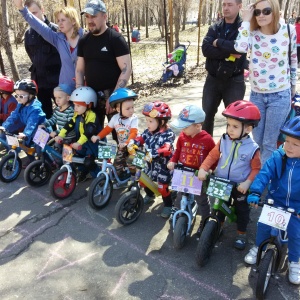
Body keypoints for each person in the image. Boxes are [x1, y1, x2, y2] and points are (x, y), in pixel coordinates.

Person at [234, 0, 297, 166]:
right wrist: (246, 21)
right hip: (257, 95)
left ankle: (263, 187)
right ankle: (268, 176)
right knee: (258, 140)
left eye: (266, 11)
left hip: (280, 95)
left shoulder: (288, 31)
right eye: (257, 12)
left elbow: (293, 60)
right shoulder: (252, 33)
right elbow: (239, 48)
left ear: (274, 11)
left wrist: (293, 88)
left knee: (269, 143)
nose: (261, 15)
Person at [197, 100, 261, 250]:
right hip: (222, 181)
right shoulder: (224, 140)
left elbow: (256, 168)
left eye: (235, 126)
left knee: (242, 210)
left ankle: (241, 233)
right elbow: (213, 155)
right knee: (219, 206)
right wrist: (204, 168)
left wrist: (247, 183)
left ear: (248, 128)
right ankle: (217, 226)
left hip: (239, 186)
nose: (230, 129)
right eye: (228, 125)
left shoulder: (253, 148)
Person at [245, 116, 300, 285]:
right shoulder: (279, 156)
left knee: (295, 234)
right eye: (286, 141)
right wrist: (255, 192)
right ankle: (258, 246)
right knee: (263, 225)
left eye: (295, 144)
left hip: (296, 207)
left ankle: (294, 262)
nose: (288, 146)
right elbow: (264, 174)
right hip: (275, 201)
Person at [76, 0, 132, 138]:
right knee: (92, 136)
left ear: (104, 16)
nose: (90, 20)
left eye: (94, 16)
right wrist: (79, 94)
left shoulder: (115, 39)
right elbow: (79, 70)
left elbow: (126, 69)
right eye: (87, 17)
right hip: (91, 96)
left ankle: (121, 160)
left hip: (115, 97)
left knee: (121, 138)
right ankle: (98, 160)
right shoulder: (83, 40)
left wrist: (114, 97)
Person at [13, 0, 84, 89]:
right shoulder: (57, 39)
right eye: (58, 20)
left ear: (73, 21)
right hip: (65, 88)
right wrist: (22, 8)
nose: (60, 23)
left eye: (63, 20)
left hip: (84, 88)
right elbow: (39, 26)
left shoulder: (85, 38)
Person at [167, 105, 216, 234]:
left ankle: (205, 220)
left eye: (186, 126)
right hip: (183, 172)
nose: (183, 129)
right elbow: (178, 151)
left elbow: (213, 156)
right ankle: (177, 212)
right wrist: (173, 161)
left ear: (198, 126)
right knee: (179, 195)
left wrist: (210, 170)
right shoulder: (183, 136)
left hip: (198, 175)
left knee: (202, 200)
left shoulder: (207, 139)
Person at [201, 0, 247, 137]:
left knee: (235, 119)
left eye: (230, 5)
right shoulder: (215, 27)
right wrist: (229, 51)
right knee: (206, 115)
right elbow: (206, 49)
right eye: (224, 5)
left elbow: (241, 48)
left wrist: (218, 43)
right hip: (213, 79)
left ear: (239, 6)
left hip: (234, 81)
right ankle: (206, 149)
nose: (226, 8)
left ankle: (231, 152)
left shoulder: (243, 29)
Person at [132, 101, 175, 218]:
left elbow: (167, 147)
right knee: (143, 179)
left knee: (162, 186)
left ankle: (168, 205)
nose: (147, 123)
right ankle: (150, 195)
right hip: (149, 162)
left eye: (150, 121)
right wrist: (133, 144)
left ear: (161, 122)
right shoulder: (148, 131)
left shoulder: (168, 133)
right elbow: (140, 138)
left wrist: (157, 153)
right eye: (146, 120)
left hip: (163, 165)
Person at [91, 88, 138, 185]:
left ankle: (135, 180)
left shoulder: (133, 119)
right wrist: (98, 137)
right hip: (122, 146)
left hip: (132, 146)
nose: (131, 111)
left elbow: (134, 133)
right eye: (128, 108)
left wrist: (126, 142)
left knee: (132, 164)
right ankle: (122, 179)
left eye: (132, 107)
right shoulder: (115, 118)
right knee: (117, 164)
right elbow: (107, 129)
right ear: (117, 109)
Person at [54, 86, 102, 182]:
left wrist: (79, 143)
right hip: (82, 143)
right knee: (77, 158)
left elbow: (88, 132)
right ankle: (82, 172)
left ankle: (99, 178)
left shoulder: (92, 116)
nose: (75, 108)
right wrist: (60, 135)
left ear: (88, 104)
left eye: (78, 106)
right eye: (74, 105)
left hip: (92, 145)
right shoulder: (78, 114)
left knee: (89, 162)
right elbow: (69, 125)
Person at [24, 0, 61, 119]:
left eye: (34, 13)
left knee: (65, 114)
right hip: (40, 82)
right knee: (45, 116)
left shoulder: (56, 30)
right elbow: (31, 55)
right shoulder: (29, 34)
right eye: (29, 14)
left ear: (42, 10)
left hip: (58, 81)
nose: (32, 17)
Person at [1, 79, 46, 165]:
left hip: (42, 130)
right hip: (29, 130)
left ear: (31, 95)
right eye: (16, 95)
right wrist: (5, 126)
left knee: (40, 149)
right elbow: (14, 115)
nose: (18, 98)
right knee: (26, 146)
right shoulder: (21, 104)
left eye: (21, 96)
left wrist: (26, 133)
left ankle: (50, 163)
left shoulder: (35, 108)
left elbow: (32, 123)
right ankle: (33, 163)